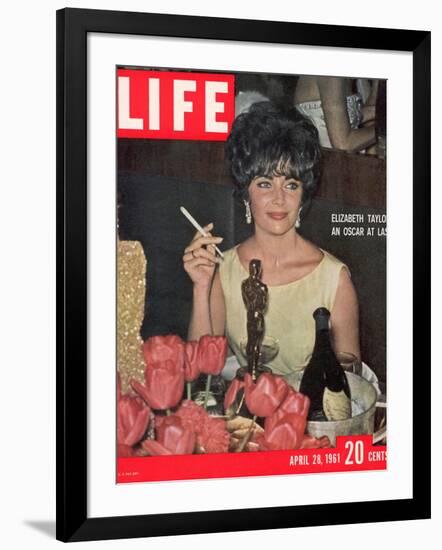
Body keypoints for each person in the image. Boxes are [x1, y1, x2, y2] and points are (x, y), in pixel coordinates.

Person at [183, 102, 360, 377]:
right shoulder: (223, 267)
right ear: (246, 193)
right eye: (265, 183)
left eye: (291, 184)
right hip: (245, 418)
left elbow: (350, 388)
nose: (279, 198)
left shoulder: (334, 279)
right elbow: (198, 375)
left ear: (303, 195)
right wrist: (200, 287)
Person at [294, 76, 378, 153]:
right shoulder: (331, 77)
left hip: (342, 160)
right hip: (328, 161)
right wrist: (384, 129)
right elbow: (343, 145)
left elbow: (350, 118)